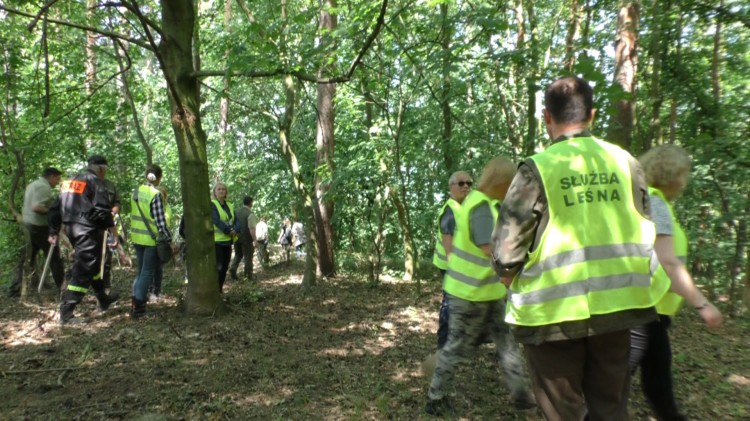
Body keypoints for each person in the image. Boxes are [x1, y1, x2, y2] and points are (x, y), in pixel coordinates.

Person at [491, 76, 669, 421]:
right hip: (622, 309)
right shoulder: (628, 163)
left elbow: (505, 252)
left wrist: (510, 281)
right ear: (593, 115)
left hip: (552, 317)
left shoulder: (537, 169)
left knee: (563, 413)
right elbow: (647, 228)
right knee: (610, 409)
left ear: (546, 117)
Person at [425, 157, 534, 416]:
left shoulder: (488, 204)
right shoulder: (481, 207)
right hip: (469, 294)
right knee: (458, 348)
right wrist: (525, 257)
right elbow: (491, 250)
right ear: (501, 182)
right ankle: (435, 397)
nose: (511, 188)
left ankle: (521, 394)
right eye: (510, 182)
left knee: (506, 343)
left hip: (489, 292)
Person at [629, 144, 723, 420]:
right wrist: (702, 304)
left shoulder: (650, 201)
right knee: (617, 388)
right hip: (643, 311)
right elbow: (668, 262)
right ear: (672, 174)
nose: (686, 180)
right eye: (684, 173)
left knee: (656, 384)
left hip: (652, 313)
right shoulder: (655, 203)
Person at [49, 155, 120, 325]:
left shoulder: (68, 183)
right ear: (102, 169)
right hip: (88, 230)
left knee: (93, 265)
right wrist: (113, 234)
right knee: (84, 268)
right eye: (106, 170)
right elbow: (103, 211)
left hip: (72, 230)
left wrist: (53, 230)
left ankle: (103, 298)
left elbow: (54, 208)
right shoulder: (96, 182)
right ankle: (67, 311)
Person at [430, 170, 472, 352]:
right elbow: (448, 240)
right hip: (450, 267)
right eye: (461, 183)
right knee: (449, 303)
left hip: (458, 267)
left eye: (469, 183)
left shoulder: (464, 207)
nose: (466, 187)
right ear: (451, 187)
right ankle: (443, 344)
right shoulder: (450, 209)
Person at [11, 167, 65, 297]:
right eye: (57, 178)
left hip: (29, 225)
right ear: (51, 176)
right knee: (54, 257)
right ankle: (63, 288)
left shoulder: (33, 184)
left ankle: (15, 289)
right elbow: (36, 207)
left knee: (26, 258)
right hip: (39, 226)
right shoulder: (43, 187)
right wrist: (54, 211)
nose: (57, 182)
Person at [130, 165, 172, 318]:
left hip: (136, 237)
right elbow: (160, 222)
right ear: (159, 178)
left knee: (141, 271)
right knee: (147, 272)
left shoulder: (136, 192)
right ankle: (139, 308)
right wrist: (169, 239)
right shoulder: (155, 194)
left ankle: (135, 303)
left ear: (145, 175)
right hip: (150, 239)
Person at [211, 182, 239, 292]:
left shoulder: (230, 205)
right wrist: (228, 230)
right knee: (219, 267)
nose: (221, 191)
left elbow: (237, 221)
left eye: (223, 189)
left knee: (225, 267)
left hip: (228, 241)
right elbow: (216, 220)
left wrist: (236, 229)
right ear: (215, 192)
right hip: (217, 241)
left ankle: (220, 289)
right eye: (219, 189)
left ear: (226, 191)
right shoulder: (212, 204)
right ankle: (216, 290)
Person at [150, 185, 173, 300]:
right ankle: (150, 291)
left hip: (163, 240)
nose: (160, 196)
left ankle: (157, 291)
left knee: (159, 267)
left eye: (162, 194)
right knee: (152, 266)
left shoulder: (167, 207)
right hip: (153, 239)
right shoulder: (153, 206)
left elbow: (166, 224)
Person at [229, 196, 257, 281]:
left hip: (236, 237)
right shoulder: (250, 214)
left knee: (238, 254)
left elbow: (231, 224)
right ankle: (248, 276)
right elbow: (251, 228)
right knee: (248, 256)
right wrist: (255, 240)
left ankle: (233, 268)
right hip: (247, 239)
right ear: (251, 203)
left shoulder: (236, 212)